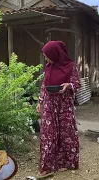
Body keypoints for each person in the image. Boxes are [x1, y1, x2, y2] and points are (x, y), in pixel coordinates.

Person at [36, 41, 81, 178]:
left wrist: (69, 85)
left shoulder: (71, 67)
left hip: (64, 104)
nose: (46, 58)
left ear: (55, 54)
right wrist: (40, 101)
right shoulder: (49, 67)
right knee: (48, 133)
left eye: (47, 55)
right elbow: (44, 85)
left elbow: (77, 85)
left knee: (66, 133)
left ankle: (66, 163)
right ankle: (47, 166)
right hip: (50, 103)